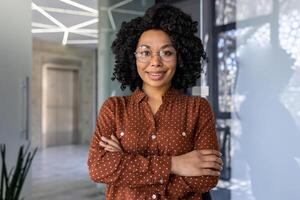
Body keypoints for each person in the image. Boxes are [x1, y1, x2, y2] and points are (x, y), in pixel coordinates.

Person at [88, 3, 222, 200]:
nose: (155, 62)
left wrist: (125, 166)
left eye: (166, 52)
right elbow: (98, 168)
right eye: (145, 52)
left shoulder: (197, 109)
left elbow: (206, 178)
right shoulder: (114, 108)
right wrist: (175, 165)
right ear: (133, 57)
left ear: (180, 57)